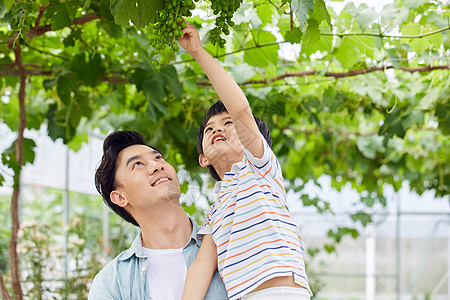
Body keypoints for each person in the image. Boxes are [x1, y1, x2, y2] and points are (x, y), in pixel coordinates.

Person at [178, 22, 313, 300]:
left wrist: (198, 51)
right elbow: (203, 265)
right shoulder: (216, 211)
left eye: (229, 124)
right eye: (209, 129)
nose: (218, 129)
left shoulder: (260, 169)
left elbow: (240, 109)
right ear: (203, 159)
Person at [88, 131, 227, 299]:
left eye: (158, 158)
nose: (157, 166)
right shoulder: (111, 283)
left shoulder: (226, 242)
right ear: (119, 197)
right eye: (138, 164)